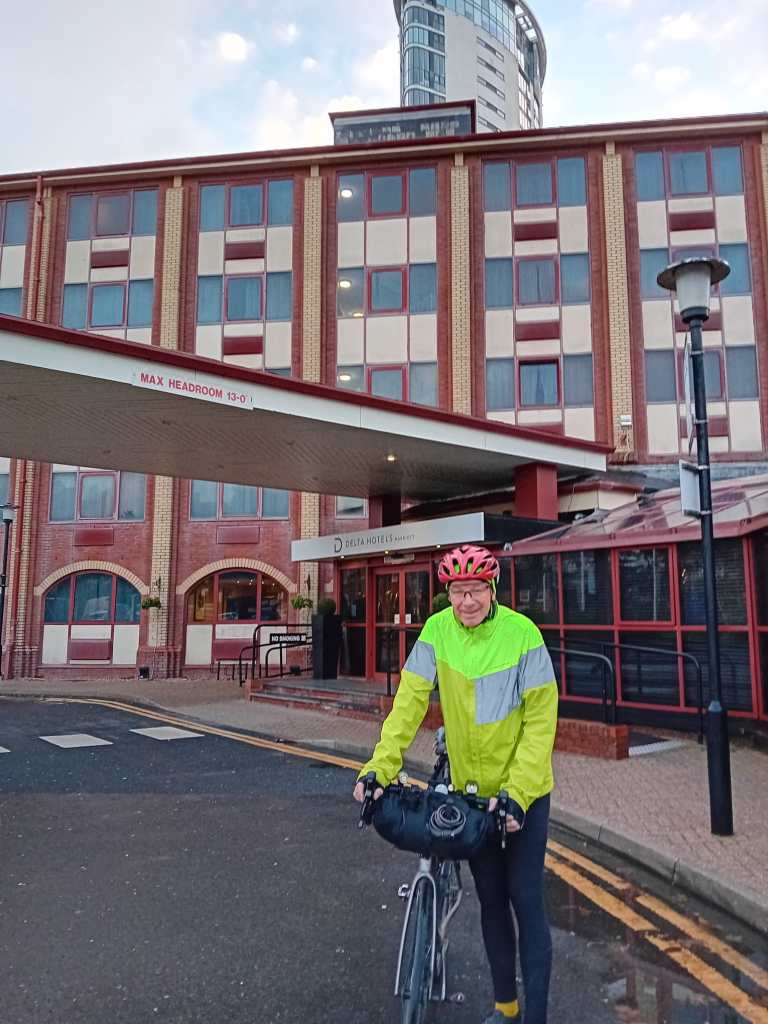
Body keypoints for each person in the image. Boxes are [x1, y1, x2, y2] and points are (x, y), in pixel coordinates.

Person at [353, 544, 558, 1024]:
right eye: (458, 591)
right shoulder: (436, 632)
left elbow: (541, 723)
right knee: (492, 903)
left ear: (493, 590)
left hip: (523, 797)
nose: (467, 601)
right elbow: (408, 705)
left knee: (525, 901)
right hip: (472, 799)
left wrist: (518, 793)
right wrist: (380, 766)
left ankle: (537, 1018)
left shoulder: (523, 635)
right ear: (447, 593)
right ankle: (506, 1009)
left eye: (476, 591)